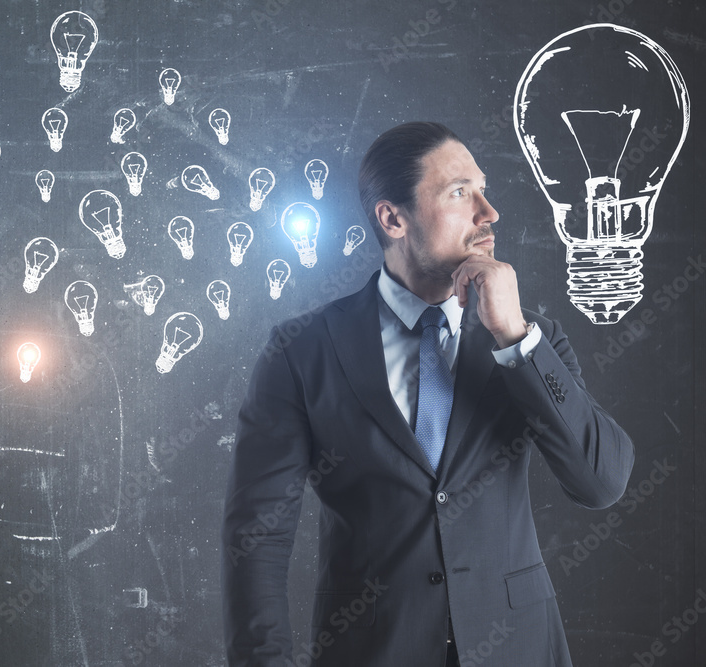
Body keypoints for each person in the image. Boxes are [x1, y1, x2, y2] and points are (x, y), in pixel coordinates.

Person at [221, 122, 635, 666]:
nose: (488, 213)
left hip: (519, 649)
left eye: (482, 190)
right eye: (460, 193)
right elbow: (258, 537)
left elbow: (600, 481)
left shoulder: (533, 340)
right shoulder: (302, 350)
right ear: (393, 218)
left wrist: (514, 340)